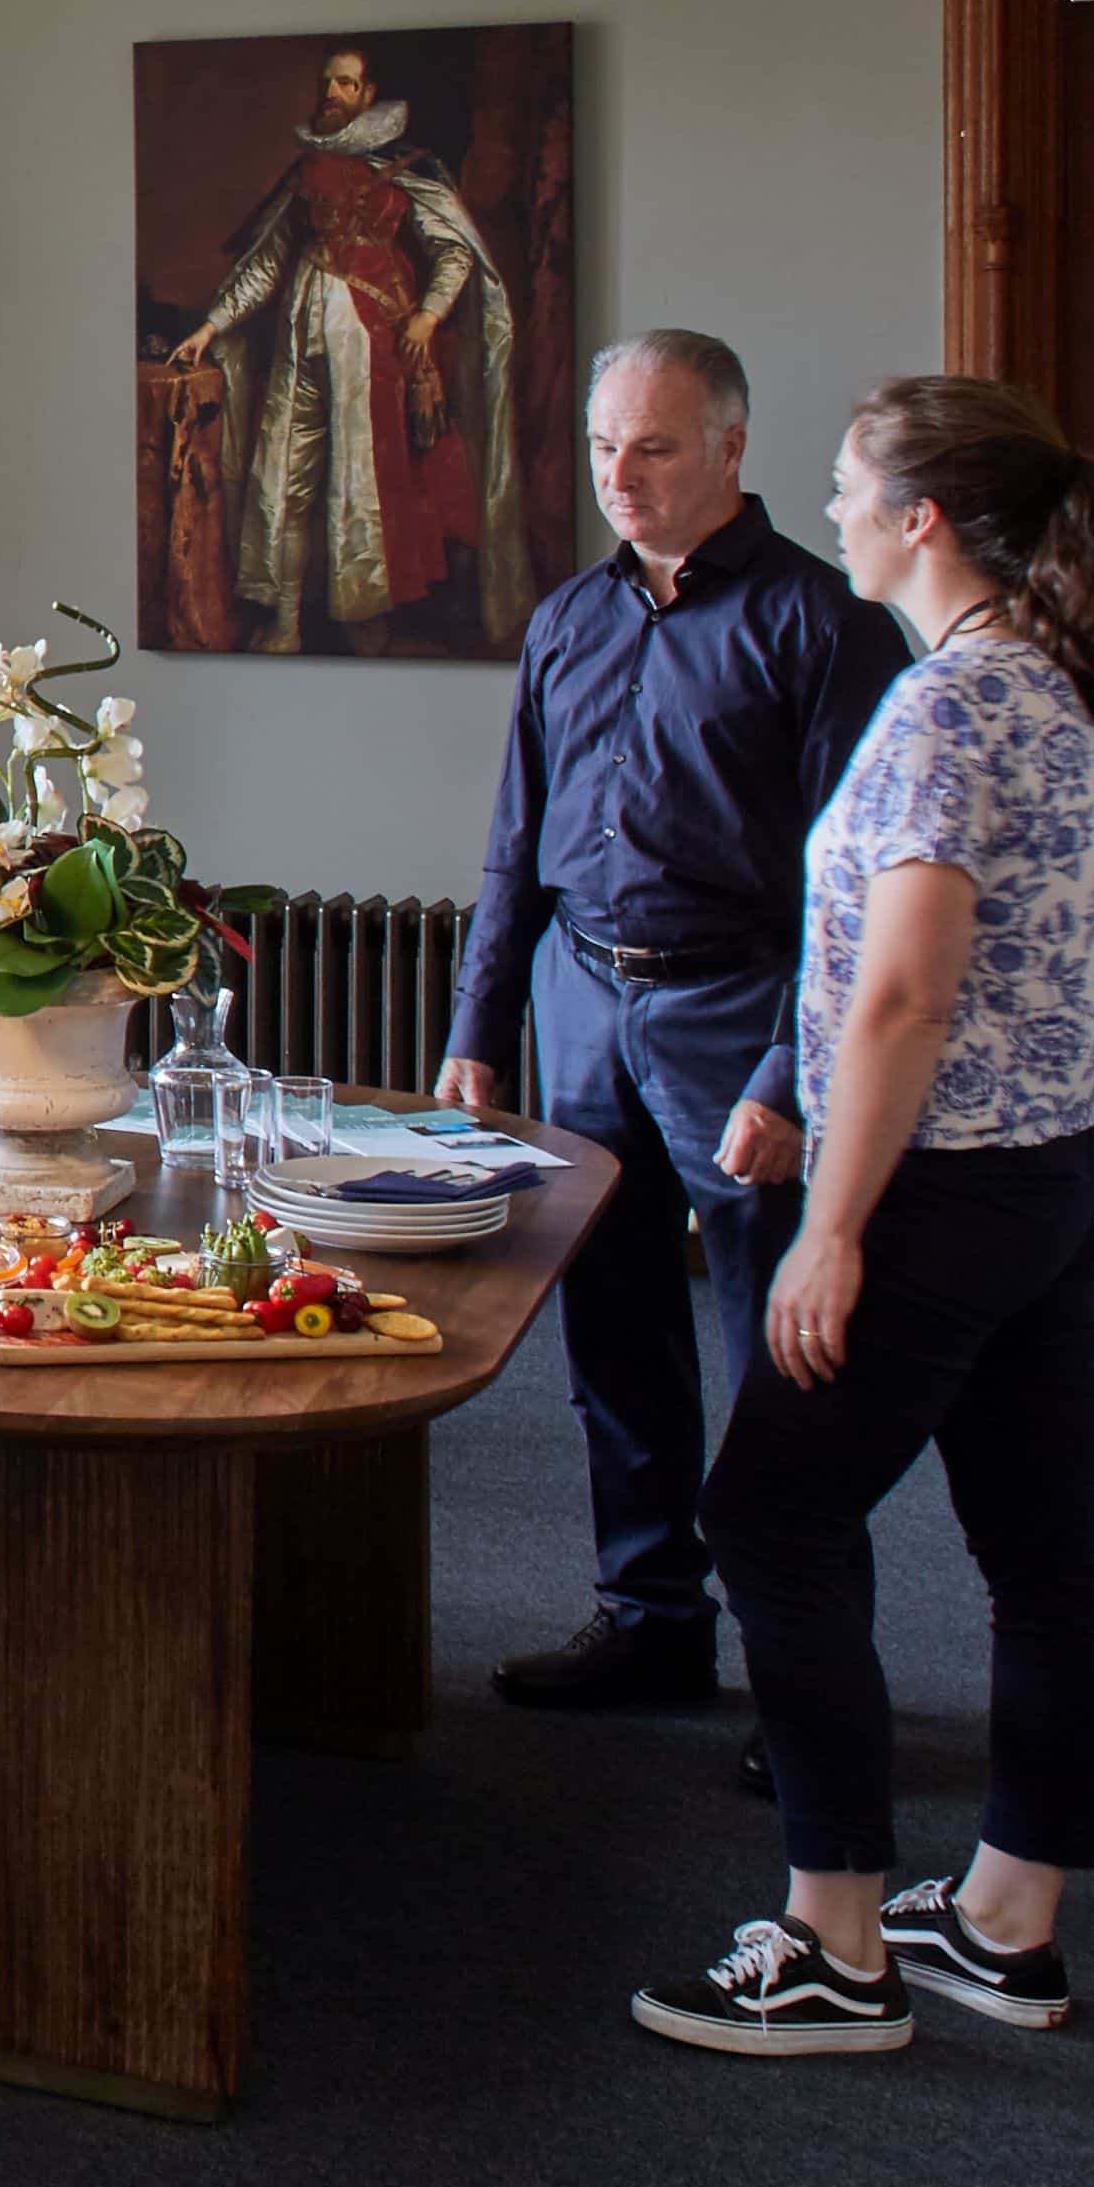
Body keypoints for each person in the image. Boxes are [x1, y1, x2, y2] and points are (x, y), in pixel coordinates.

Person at [631, 375, 1094, 2058]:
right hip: (1059, 1171)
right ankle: (1009, 1920)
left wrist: (832, 1225)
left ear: (920, 520)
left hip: (939, 1193)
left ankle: (833, 1943)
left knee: (771, 1520)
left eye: (850, 488)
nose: (841, 512)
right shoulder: (1088, 683)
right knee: (1043, 1550)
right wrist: (794, 1085)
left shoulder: (950, 707)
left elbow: (905, 995)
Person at [439, 333, 914, 1720]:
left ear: (729, 448)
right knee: (616, 1330)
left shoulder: (828, 626)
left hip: (743, 1005)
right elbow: (512, 845)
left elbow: (855, 891)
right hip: (586, 1000)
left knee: (789, 1356)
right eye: (602, 448)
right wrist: (481, 1023)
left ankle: (809, 1680)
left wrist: (789, 1072)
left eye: (651, 447)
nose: (621, 476)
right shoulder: (566, 618)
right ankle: (650, 1619)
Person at [165, 42, 534, 654]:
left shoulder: (407, 163)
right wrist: (209, 327)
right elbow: (266, 263)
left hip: (372, 342)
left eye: (345, 84)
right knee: (285, 472)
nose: (332, 94)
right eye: (327, 84)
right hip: (298, 340)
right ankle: (284, 619)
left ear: (368, 93)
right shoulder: (307, 171)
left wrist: (429, 315)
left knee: (360, 480)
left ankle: (364, 618)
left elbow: (455, 252)